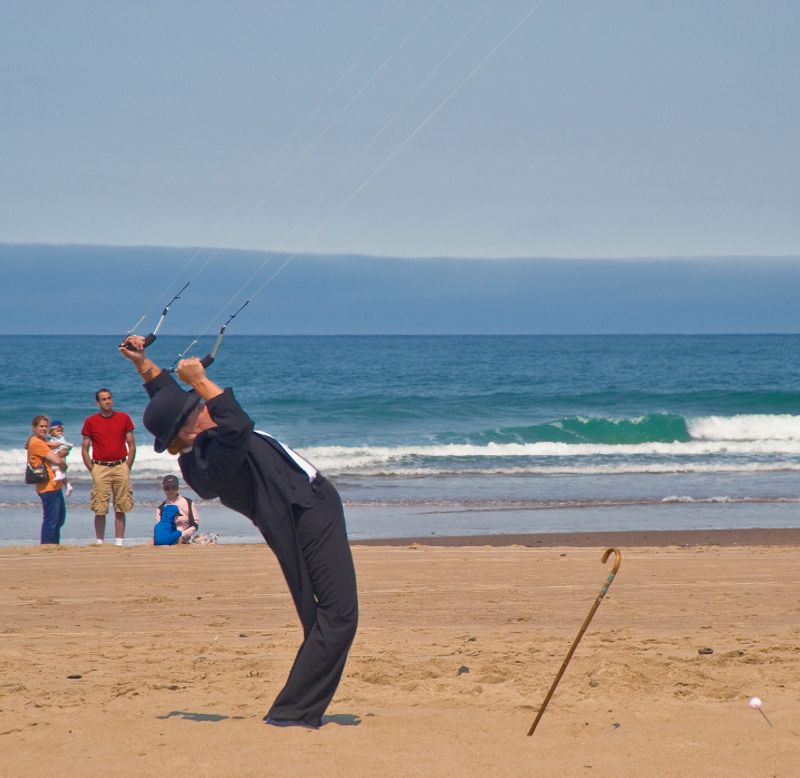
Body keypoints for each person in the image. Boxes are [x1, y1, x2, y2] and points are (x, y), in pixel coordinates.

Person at [119, 335, 358, 729]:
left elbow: (168, 399)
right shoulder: (214, 456)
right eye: (198, 408)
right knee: (339, 617)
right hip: (306, 517)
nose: (205, 407)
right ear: (188, 434)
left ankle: (296, 710)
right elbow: (237, 421)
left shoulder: (198, 444)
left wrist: (142, 364)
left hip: (307, 511)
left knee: (325, 620)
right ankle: (291, 713)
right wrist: (199, 381)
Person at [81, 388, 136, 546]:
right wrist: (93, 469)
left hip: (120, 466)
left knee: (121, 506)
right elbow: (85, 449)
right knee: (100, 507)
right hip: (100, 468)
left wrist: (127, 466)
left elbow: (131, 445)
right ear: (97, 403)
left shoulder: (123, 418)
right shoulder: (90, 421)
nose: (107, 401)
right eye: (104, 399)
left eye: (109, 398)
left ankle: (119, 542)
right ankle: (100, 542)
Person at [26, 415, 67, 544]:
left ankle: (54, 544)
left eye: (45, 426)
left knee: (59, 519)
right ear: (34, 428)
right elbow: (57, 460)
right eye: (41, 426)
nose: (44, 429)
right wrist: (64, 464)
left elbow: (53, 450)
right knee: (52, 519)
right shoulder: (37, 442)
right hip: (47, 486)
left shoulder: (41, 441)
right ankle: (47, 545)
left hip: (54, 484)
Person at [156, 474, 199, 544]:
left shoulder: (188, 502)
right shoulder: (160, 508)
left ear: (178, 487)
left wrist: (184, 535)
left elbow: (195, 524)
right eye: (167, 488)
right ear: (163, 488)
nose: (171, 490)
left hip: (186, 538)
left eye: (174, 487)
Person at [47, 420, 75, 497]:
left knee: (55, 466)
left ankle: (58, 474)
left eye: (61, 431)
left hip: (59, 457)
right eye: (58, 431)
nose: (60, 433)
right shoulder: (55, 439)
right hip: (61, 458)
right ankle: (68, 485)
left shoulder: (59, 439)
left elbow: (59, 444)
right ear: (51, 432)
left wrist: (66, 450)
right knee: (63, 474)